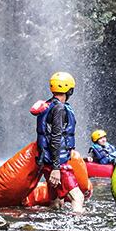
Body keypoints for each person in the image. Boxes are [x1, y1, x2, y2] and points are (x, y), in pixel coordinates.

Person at [34, 71, 85, 213]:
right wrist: (56, 168)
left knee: (57, 202)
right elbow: (56, 137)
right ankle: (76, 229)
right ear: (69, 90)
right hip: (57, 164)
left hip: (47, 161)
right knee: (78, 198)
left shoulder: (47, 105)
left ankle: (52, 229)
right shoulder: (59, 108)